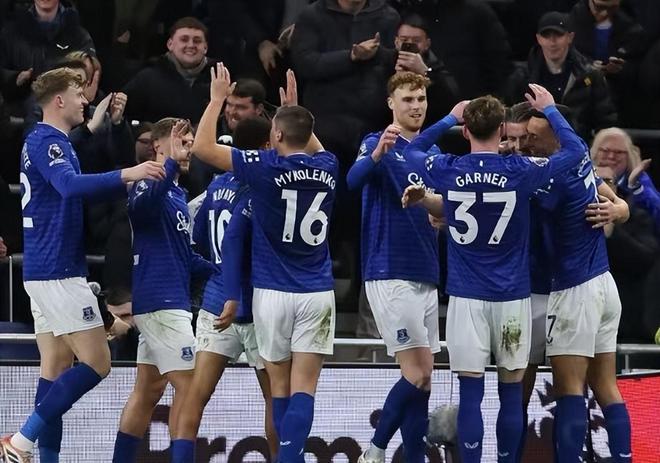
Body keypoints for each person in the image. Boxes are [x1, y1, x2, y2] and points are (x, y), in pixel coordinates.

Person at [400, 85, 587, 462]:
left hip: (467, 300)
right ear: (503, 129)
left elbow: (411, 150)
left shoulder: (448, 168)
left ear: (466, 131)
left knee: (471, 397)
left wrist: (448, 118)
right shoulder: (522, 170)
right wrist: (551, 110)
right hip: (513, 300)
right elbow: (576, 152)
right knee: (511, 396)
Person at [0, 67, 164, 463]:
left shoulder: (43, 138)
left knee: (55, 368)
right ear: (59, 100)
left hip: (43, 269)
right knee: (98, 363)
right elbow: (70, 185)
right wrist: (128, 173)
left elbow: (67, 160)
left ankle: (45, 459)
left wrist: (91, 128)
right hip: (58, 270)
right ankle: (20, 442)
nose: (84, 99)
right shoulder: (47, 142)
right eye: (78, 94)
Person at [192, 64, 337, 463]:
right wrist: (294, 113)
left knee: (279, 389)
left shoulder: (265, 168)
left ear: (276, 137)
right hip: (317, 293)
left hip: (271, 295)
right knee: (304, 388)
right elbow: (312, 143)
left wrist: (216, 100)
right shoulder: (329, 166)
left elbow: (202, 148)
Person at [523, 107, 632, 463]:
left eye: (535, 137)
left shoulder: (552, 178)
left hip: (574, 289)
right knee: (606, 386)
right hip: (603, 283)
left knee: (569, 388)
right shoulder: (581, 163)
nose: (527, 143)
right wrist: (620, 207)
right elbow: (614, 199)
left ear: (557, 139)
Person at [346, 72, 442, 463]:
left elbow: (441, 209)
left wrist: (440, 216)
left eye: (420, 99)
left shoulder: (431, 152)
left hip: (426, 271)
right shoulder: (377, 142)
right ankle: (375, 451)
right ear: (391, 103)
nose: (416, 106)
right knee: (416, 374)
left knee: (423, 382)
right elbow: (352, 181)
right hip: (390, 270)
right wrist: (376, 156)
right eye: (407, 99)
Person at [171, 117, 277, 462]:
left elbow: (199, 238)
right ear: (266, 146)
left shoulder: (216, 186)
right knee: (276, 399)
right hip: (256, 304)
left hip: (215, 302)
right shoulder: (263, 187)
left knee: (194, 397)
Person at [112, 118, 215, 463]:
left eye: (189, 143)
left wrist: (221, 271)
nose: (188, 149)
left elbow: (184, 256)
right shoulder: (147, 182)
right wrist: (168, 163)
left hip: (166, 303)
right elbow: (140, 209)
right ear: (158, 145)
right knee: (191, 390)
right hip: (162, 304)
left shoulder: (176, 193)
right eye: (181, 141)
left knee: (148, 392)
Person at [506, 11, 618, 140]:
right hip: (532, 147)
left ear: (570, 37)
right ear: (538, 39)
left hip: (579, 146)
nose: (552, 42)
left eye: (558, 35)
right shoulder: (521, 77)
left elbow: (605, 120)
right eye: (546, 35)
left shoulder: (590, 75)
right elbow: (510, 118)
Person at [122, 16, 215, 125]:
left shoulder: (220, 79)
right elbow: (122, 118)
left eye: (197, 41)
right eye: (184, 40)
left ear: (205, 47)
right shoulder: (146, 79)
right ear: (170, 44)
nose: (191, 45)